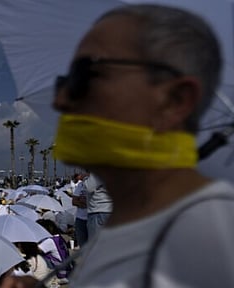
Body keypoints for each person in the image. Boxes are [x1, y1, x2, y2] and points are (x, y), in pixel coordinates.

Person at [48, 3, 234, 287]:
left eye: (85, 75)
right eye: (63, 82)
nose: (60, 100)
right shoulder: (138, 227)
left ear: (175, 100)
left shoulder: (203, 243)